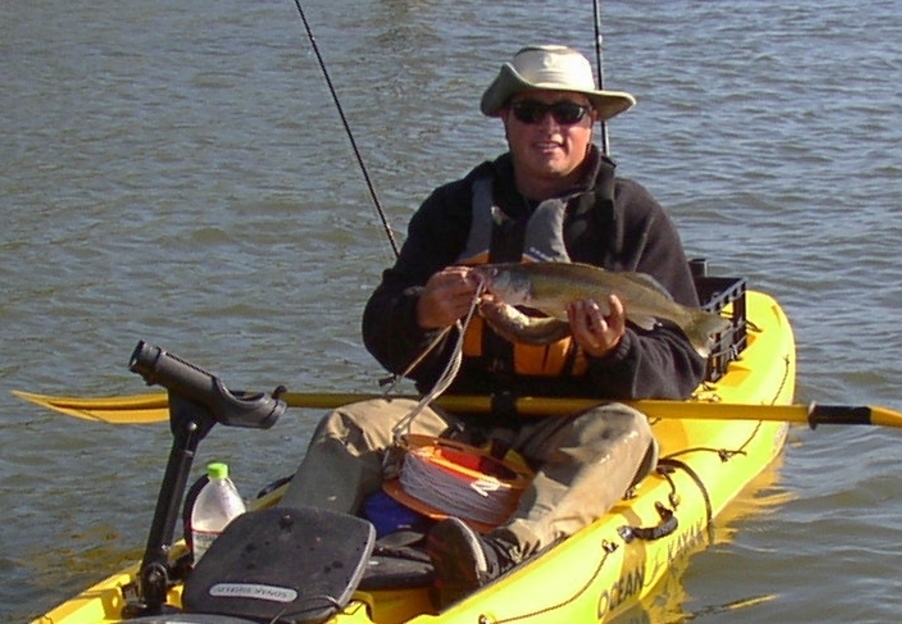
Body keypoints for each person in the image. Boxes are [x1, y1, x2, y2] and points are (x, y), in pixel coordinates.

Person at [281, 44, 707, 608]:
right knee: (348, 425)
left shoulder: (633, 218)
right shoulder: (453, 209)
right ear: (505, 118)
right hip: (456, 414)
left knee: (624, 433)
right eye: (530, 111)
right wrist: (422, 313)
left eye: (569, 112)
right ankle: (289, 563)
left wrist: (616, 349)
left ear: (592, 121)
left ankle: (503, 557)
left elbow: (680, 368)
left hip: (571, 421)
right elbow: (382, 327)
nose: (548, 127)